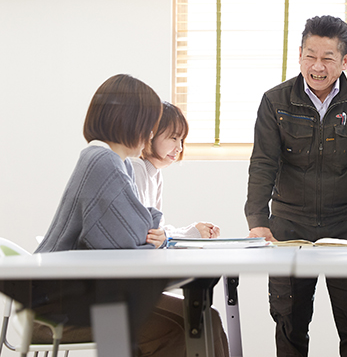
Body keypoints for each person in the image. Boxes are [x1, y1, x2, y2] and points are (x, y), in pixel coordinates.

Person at [33, 74, 229, 357]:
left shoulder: (115, 162)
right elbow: (135, 237)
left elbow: (140, 231)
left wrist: (150, 229)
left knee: (205, 319)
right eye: (149, 124)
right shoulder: (102, 161)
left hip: (85, 296)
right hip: (56, 309)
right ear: (129, 120)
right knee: (190, 324)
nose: (150, 134)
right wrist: (150, 230)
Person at [245, 15, 347, 357]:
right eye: (310, 55)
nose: (317, 66)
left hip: (346, 226)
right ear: (298, 55)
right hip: (288, 226)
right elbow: (262, 163)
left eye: (328, 57)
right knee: (289, 322)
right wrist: (257, 220)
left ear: (345, 61)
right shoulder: (275, 101)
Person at [132, 101, 221, 240]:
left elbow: (158, 230)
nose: (179, 147)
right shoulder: (136, 168)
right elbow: (147, 234)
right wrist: (191, 234)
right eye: (174, 138)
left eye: (181, 140)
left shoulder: (155, 173)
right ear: (150, 135)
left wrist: (194, 230)